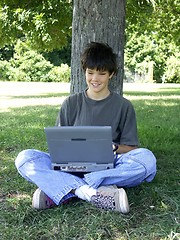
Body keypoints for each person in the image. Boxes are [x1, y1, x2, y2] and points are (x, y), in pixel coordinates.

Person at [15, 42, 156, 214]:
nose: (95, 79)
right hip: (71, 167)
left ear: (111, 74)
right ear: (84, 71)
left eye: (101, 73)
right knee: (24, 158)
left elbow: (132, 149)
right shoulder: (70, 103)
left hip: (109, 166)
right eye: (90, 73)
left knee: (147, 160)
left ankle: (62, 189)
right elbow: (59, 145)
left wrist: (112, 147)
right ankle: (92, 192)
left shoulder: (123, 106)